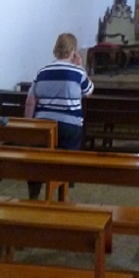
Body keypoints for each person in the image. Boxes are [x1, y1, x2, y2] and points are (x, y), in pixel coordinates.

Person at [25, 32, 93, 198]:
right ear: (73, 51)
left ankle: (34, 194)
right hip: (69, 125)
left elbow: (30, 100)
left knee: (38, 159)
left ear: (56, 49)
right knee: (66, 160)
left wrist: (28, 125)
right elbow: (89, 91)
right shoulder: (77, 72)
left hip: (43, 124)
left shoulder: (42, 72)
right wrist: (81, 66)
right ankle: (62, 195)